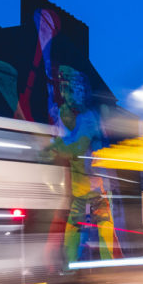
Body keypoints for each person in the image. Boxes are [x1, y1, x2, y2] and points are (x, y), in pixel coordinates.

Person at [42, 66, 115, 266]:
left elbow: (78, 146)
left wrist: (51, 148)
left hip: (95, 186)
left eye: (70, 89)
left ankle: (103, 264)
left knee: (99, 222)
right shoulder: (68, 114)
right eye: (64, 89)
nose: (65, 94)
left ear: (82, 91)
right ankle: (73, 265)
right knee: (77, 224)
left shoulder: (88, 118)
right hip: (81, 187)